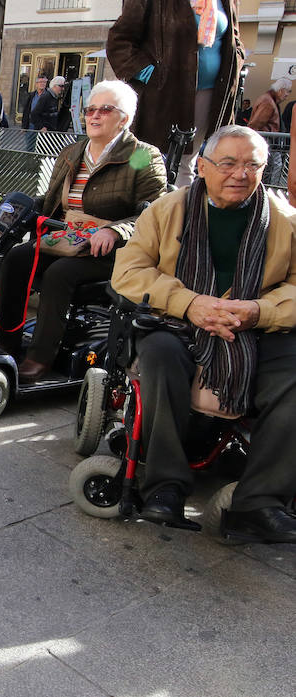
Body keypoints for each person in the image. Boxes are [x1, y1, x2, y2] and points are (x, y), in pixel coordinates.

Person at [111, 124, 296, 542]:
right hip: (177, 322)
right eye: (228, 163)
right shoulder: (165, 210)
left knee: (293, 377)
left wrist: (257, 311)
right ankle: (164, 488)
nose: (240, 174)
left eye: (253, 165)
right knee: (159, 355)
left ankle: (259, 504)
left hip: (255, 327)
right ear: (203, 166)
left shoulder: (285, 219)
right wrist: (191, 303)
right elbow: (130, 272)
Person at [0, 80, 166, 382]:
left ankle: (39, 358)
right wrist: (14, 214)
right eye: (90, 109)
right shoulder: (73, 151)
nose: (94, 116)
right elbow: (49, 201)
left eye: (105, 110)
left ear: (124, 118)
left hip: (111, 251)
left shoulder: (143, 155)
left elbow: (154, 212)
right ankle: (7, 341)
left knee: (60, 273)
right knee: (17, 257)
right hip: (67, 238)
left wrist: (116, 231)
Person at [107, 0, 243, 187]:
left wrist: (237, 62)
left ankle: (177, 213)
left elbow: (233, 39)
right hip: (164, 95)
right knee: (144, 160)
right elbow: (120, 41)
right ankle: (141, 212)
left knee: (186, 162)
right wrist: (151, 75)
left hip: (211, 95)